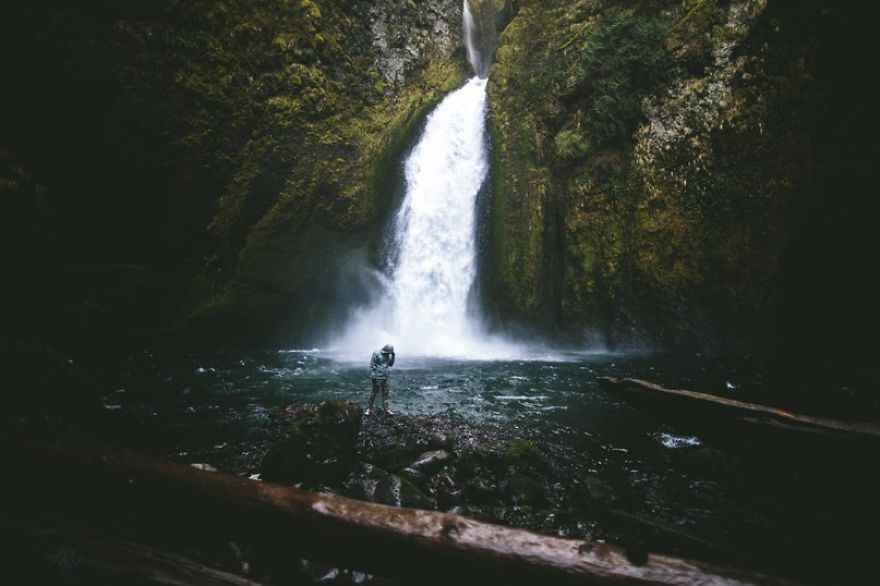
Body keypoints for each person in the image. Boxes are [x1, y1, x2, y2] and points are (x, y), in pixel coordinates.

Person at [366, 344, 395, 416]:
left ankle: (386, 409)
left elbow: (391, 364)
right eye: (388, 352)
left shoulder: (388, 355)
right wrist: (373, 376)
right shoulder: (376, 353)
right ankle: (369, 409)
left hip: (385, 377)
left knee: (385, 393)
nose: (388, 354)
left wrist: (393, 356)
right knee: (374, 393)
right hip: (377, 377)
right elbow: (372, 365)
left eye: (389, 353)